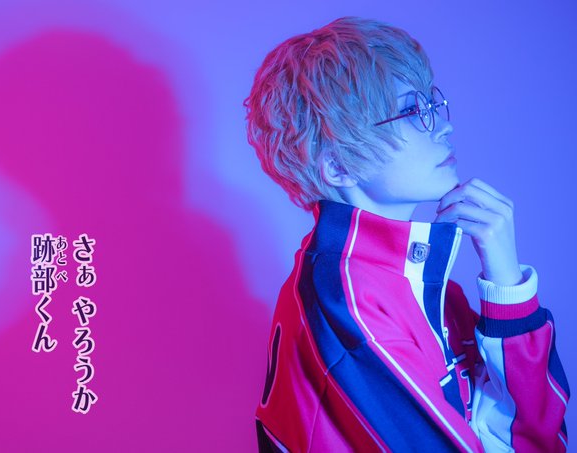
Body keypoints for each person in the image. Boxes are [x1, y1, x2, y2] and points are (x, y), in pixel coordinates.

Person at [242, 16, 569, 452]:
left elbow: (537, 436)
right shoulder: (346, 303)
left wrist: (507, 284)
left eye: (431, 103)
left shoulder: (421, 287)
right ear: (338, 165)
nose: (444, 126)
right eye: (413, 112)